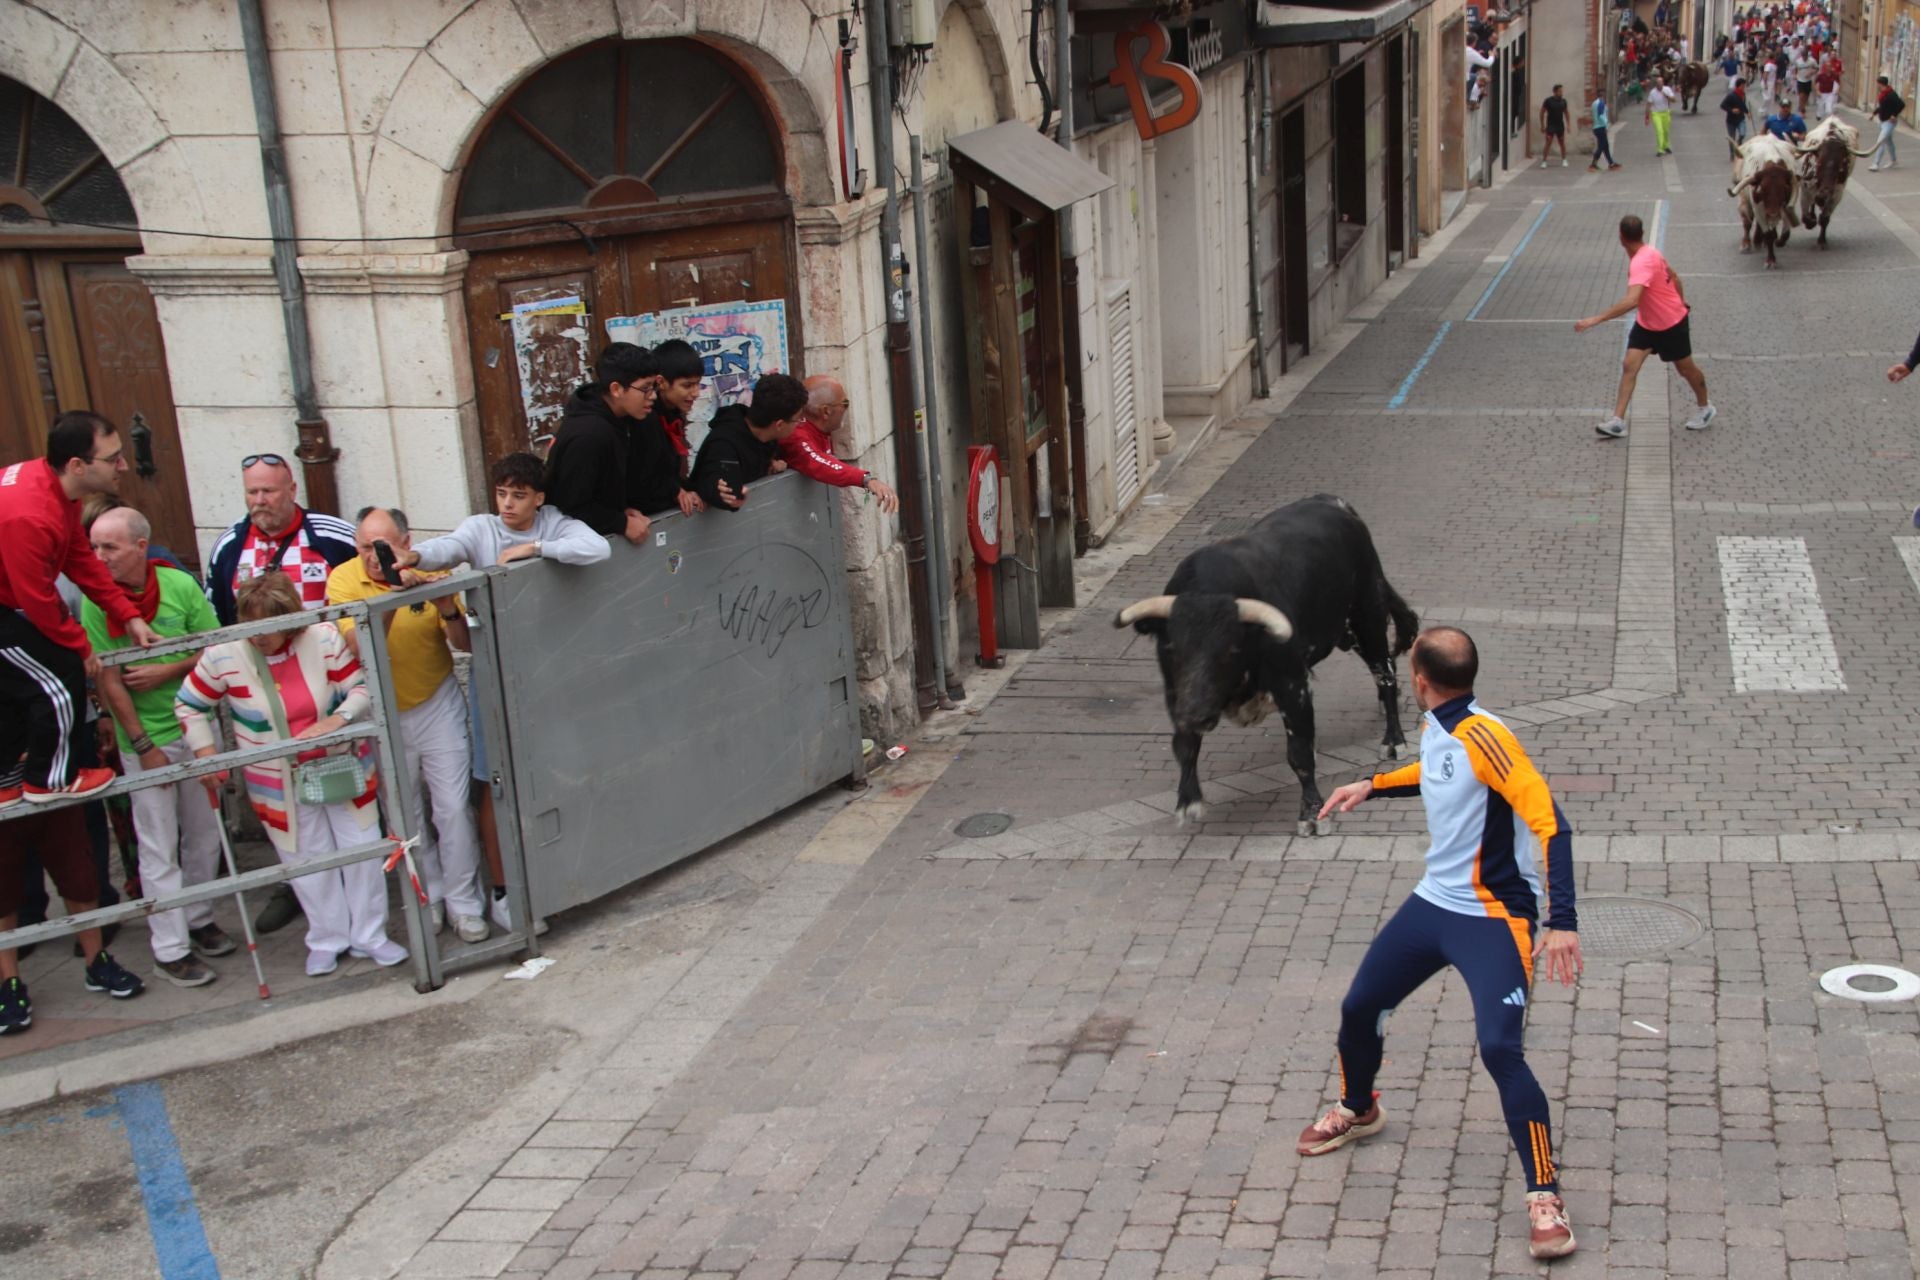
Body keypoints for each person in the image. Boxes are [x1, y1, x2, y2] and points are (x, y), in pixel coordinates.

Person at [1302, 627, 1582, 1261]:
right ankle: (1358, 1106)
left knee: (1501, 1050)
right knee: (1358, 1007)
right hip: (1434, 905)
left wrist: (1561, 921)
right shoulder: (1438, 726)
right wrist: (1373, 785)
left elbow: (1552, 824)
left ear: (1420, 680)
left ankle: (1544, 1195)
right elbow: (1434, 773)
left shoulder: (1488, 737)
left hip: (1493, 919)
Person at [396, 452, 608, 934]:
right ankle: (501, 888)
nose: (508, 504)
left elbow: (597, 549)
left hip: (547, 677)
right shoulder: (480, 528)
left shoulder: (555, 525)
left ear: (539, 498)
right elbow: (446, 549)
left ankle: (555, 881)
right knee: (493, 781)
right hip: (494, 675)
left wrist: (534, 551)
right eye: (502, 494)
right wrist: (413, 557)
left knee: (557, 773)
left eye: (518, 495)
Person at [176, 572, 406, 978]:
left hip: (342, 765)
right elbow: (189, 704)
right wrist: (206, 752)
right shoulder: (223, 654)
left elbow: (361, 689)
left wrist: (337, 719)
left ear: (290, 619)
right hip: (276, 781)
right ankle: (326, 938)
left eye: (268, 625)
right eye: (251, 623)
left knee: (362, 848)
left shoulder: (323, 638)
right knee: (305, 858)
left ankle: (370, 935)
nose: (259, 636)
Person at [204, 452, 353, 935]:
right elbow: (220, 620)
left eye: (269, 490)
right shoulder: (229, 545)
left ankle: (361, 891)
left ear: (292, 488)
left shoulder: (331, 535)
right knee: (285, 807)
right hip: (264, 703)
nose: (260, 501)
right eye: (252, 492)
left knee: (348, 797)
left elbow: (361, 589)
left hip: (331, 692)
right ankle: (297, 889)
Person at [83, 507, 231, 988]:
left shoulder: (179, 585)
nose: (100, 557)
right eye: (95, 547)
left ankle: (199, 918)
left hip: (197, 725)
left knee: (205, 832)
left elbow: (213, 646)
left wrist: (168, 670)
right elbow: (108, 679)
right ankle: (168, 949)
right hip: (144, 737)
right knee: (157, 844)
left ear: (141, 547)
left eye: (110, 547)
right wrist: (142, 744)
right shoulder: (94, 600)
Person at [327, 508, 487, 943]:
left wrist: (445, 608)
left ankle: (464, 904)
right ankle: (427, 899)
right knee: (405, 813)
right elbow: (359, 647)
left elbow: (464, 645)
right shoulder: (343, 578)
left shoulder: (432, 564)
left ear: (406, 541)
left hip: (435, 699)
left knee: (452, 808)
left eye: (383, 547)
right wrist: (396, 596)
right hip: (381, 711)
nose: (374, 558)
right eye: (365, 548)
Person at [0, 411, 157, 806]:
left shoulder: (56, 492)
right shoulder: (31, 514)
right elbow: (36, 598)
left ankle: (6, 779)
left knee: (24, 677)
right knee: (60, 674)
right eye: (113, 458)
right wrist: (82, 646)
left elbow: (80, 561)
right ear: (76, 465)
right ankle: (49, 780)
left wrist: (128, 613)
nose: (123, 465)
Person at [0, 803, 145, 1031]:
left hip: (53, 787)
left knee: (78, 874)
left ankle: (97, 961)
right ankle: (8, 983)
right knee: (3, 890)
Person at [1576, 214, 1715, 438]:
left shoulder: (1641, 262)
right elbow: (1675, 277)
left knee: (1685, 369)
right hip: (1647, 323)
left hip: (1670, 323)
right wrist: (1681, 300)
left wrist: (1596, 319)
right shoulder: (1652, 252)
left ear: (1621, 237)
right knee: (1630, 364)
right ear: (1641, 233)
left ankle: (1705, 407)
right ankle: (1617, 421)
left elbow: (1632, 300)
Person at [544, 342, 664, 543]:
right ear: (616, 389)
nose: (653, 396)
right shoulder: (589, 435)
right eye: (645, 388)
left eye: (654, 387)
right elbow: (572, 505)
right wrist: (620, 523)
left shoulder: (624, 419)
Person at [686, 373, 810, 512]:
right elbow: (715, 483)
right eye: (797, 420)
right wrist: (728, 496)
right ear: (779, 424)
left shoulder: (767, 437)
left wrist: (773, 465)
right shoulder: (724, 444)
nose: (799, 424)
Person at [782, 377, 901, 513]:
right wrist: (866, 479)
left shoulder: (818, 429)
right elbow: (817, 462)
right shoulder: (797, 435)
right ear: (826, 411)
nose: (846, 409)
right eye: (845, 403)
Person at [632, 339, 712, 517]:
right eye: (687, 385)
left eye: (698, 383)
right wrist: (676, 492)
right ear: (661, 382)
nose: (696, 393)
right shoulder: (644, 417)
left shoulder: (674, 414)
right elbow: (645, 476)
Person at [1871, 75, 1903, 170]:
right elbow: (1883, 107)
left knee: (1881, 141)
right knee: (1889, 142)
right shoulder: (1883, 94)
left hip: (1889, 122)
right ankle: (1894, 161)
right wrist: (1874, 113)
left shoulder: (1891, 94)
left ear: (1880, 84)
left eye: (1877, 83)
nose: (1876, 85)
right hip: (1883, 121)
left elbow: (1901, 104)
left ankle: (1875, 164)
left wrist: (1894, 114)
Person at [1644, 74, 1678, 154]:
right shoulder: (1652, 92)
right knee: (1659, 131)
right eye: (1657, 83)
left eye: (1660, 83)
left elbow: (1674, 100)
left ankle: (1666, 146)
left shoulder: (1667, 89)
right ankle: (1660, 149)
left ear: (1663, 83)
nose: (1659, 85)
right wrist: (1647, 117)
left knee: (1666, 131)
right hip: (1656, 114)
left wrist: (1667, 97)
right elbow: (1648, 104)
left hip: (1665, 113)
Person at [1588, 93, 1621, 170]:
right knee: (1601, 146)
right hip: (1600, 127)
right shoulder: (1600, 103)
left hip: (1596, 127)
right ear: (1603, 96)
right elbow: (1601, 115)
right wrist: (1606, 124)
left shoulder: (1594, 103)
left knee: (1605, 146)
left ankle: (1611, 163)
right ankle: (1593, 163)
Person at [1539, 85, 1571, 165]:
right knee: (1548, 142)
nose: (1561, 93)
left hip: (1560, 125)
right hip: (1550, 125)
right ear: (1555, 92)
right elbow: (1542, 112)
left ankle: (1564, 159)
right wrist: (1542, 125)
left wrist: (1568, 125)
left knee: (1562, 142)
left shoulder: (1563, 101)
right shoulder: (1548, 101)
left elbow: (1566, 113)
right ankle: (1544, 161)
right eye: (1560, 91)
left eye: (1562, 91)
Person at [1721, 77, 1752, 157]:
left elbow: (1742, 105)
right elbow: (1723, 105)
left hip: (1740, 118)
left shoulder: (1743, 94)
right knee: (1732, 138)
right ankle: (1732, 153)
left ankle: (1739, 142)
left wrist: (1747, 112)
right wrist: (1731, 110)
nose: (1744, 87)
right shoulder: (1731, 95)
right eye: (1743, 86)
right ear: (1740, 86)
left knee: (1742, 133)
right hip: (1731, 120)